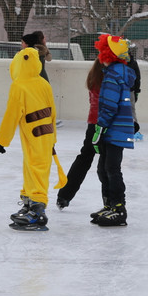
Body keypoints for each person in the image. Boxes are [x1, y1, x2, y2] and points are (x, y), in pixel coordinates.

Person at [0, 46, 66, 231]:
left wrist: (3, 139)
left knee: (35, 167)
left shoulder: (18, 86)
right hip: (45, 133)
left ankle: (37, 210)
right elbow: (52, 111)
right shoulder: (44, 83)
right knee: (32, 165)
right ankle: (29, 203)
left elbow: (12, 114)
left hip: (33, 134)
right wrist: (53, 137)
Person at [90, 34, 137, 227]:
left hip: (114, 128)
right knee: (104, 168)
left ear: (107, 54)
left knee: (111, 169)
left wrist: (100, 128)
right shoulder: (120, 72)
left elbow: (109, 105)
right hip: (118, 128)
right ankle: (109, 205)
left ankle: (118, 209)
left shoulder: (113, 75)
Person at [55, 59, 103, 209]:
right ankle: (111, 203)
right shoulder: (110, 76)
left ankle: (64, 195)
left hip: (93, 123)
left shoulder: (93, 75)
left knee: (84, 158)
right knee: (107, 163)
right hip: (106, 123)